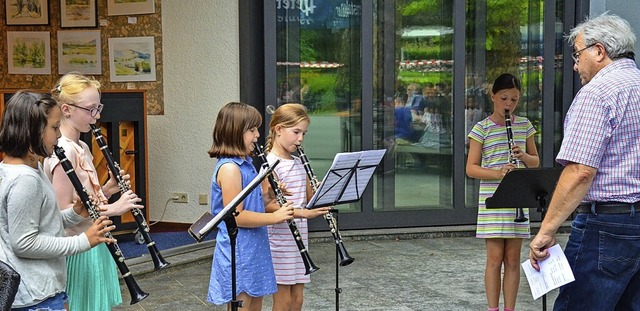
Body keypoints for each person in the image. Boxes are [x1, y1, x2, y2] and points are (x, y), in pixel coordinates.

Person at [529, 13, 640, 310]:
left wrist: (547, 230)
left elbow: (579, 171)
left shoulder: (598, 93)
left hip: (606, 224)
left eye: (577, 55)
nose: (575, 65)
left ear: (600, 51)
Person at [0, 91, 115, 310]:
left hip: (35, 290)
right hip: (35, 295)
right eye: (54, 128)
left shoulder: (20, 168)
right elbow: (24, 242)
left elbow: (40, 222)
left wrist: (74, 215)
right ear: (32, 131)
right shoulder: (25, 180)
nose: (58, 136)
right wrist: (83, 241)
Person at [44, 72, 143, 311]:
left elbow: (85, 202)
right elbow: (63, 213)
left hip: (94, 241)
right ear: (66, 110)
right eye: (90, 110)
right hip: (77, 248)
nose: (97, 116)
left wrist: (108, 189)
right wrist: (115, 208)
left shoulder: (82, 146)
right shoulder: (64, 151)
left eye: (98, 107)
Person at [207, 101, 295, 310]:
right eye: (252, 130)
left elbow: (254, 207)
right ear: (235, 132)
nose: (257, 135)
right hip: (239, 250)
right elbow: (236, 215)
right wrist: (275, 217)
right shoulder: (230, 169)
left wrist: (270, 196)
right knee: (243, 305)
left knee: (255, 304)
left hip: (254, 246)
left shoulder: (245, 164)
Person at [466, 73, 539, 311]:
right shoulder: (481, 128)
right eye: (504, 98)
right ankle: (492, 308)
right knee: (495, 259)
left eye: (514, 100)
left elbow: (535, 162)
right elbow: (471, 168)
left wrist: (523, 156)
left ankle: (510, 308)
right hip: (493, 200)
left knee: (513, 260)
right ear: (493, 96)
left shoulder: (524, 125)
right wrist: (498, 172)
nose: (508, 104)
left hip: (517, 197)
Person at [263, 103, 331, 311]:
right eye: (296, 132)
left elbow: (308, 197)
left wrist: (319, 190)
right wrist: (304, 213)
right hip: (280, 238)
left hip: (299, 234)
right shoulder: (269, 163)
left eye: (304, 133)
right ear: (278, 130)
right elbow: (268, 206)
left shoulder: (298, 161)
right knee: (283, 301)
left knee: (298, 299)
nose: (300, 139)